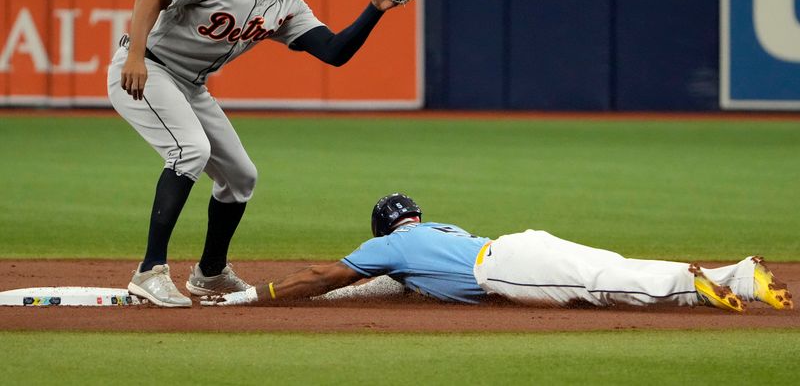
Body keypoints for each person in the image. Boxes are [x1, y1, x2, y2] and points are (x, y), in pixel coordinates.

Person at [107, 0, 405, 307]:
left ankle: (210, 273)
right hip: (149, 69)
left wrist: (375, 8)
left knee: (241, 177)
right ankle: (150, 271)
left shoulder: (286, 6)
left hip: (191, 86)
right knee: (190, 150)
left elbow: (334, 52)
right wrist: (136, 57)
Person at [203, 193, 794, 313]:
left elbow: (325, 276)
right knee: (610, 266)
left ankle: (699, 287)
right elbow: (388, 284)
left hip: (505, 267)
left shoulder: (390, 245)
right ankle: (737, 277)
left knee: (602, 284)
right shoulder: (438, 231)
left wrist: (259, 294)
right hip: (517, 242)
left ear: (382, 230)